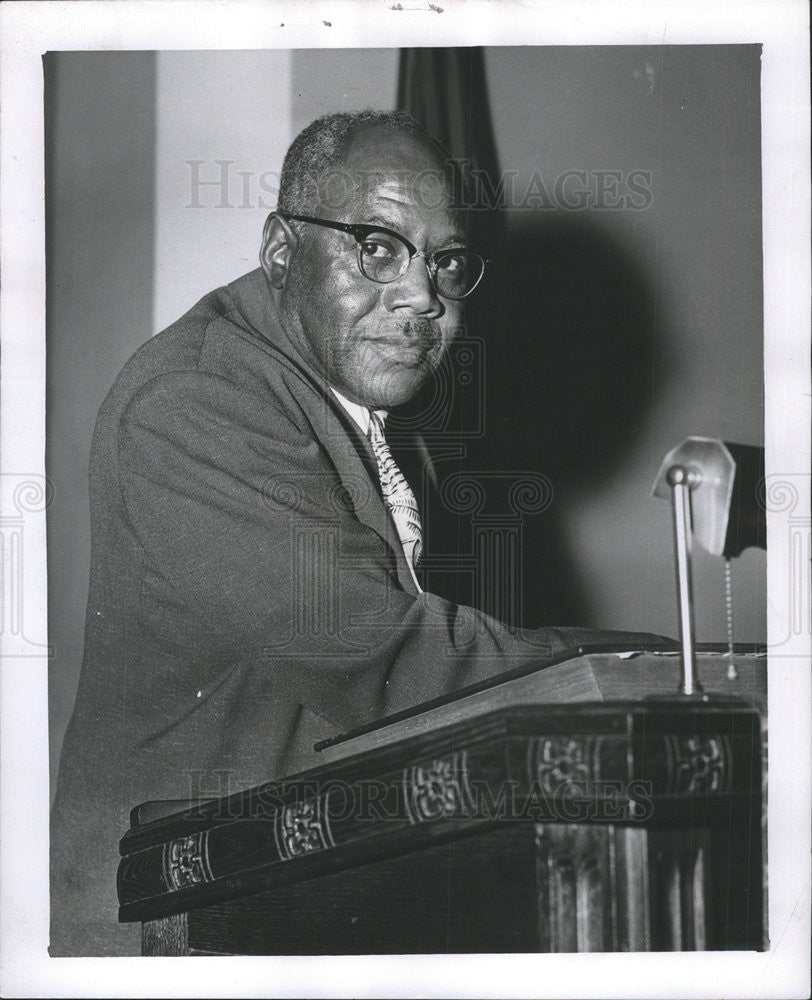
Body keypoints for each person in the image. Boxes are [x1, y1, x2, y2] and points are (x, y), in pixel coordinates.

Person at [50, 110, 660, 955]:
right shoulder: (193, 402)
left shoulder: (359, 394)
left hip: (298, 885)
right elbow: (389, 660)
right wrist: (653, 669)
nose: (422, 297)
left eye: (444, 261)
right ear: (281, 250)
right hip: (175, 923)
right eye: (377, 246)